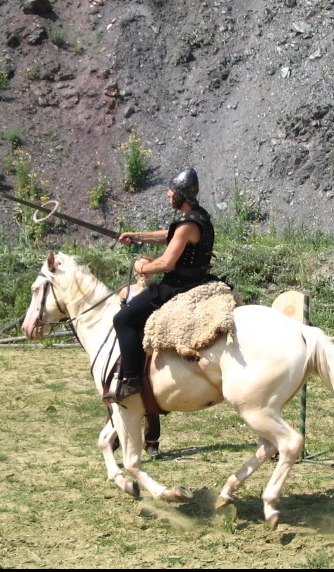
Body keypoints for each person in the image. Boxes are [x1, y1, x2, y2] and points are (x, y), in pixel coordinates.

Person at [103, 167, 217, 403]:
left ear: (180, 195)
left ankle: (132, 379)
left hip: (178, 285)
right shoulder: (198, 216)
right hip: (197, 279)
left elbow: (166, 263)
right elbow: (169, 236)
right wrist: (137, 236)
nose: (168, 194)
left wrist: (141, 268)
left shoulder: (187, 224)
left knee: (123, 319)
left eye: (171, 190)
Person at [118, 274, 162, 458]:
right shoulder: (126, 290)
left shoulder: (154, 291)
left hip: (148, 337)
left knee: (149, 388)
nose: (144, 274)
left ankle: (151, 443)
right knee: (119, 383)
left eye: (147, 269)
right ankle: (114, 440)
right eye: (141, 269)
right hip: (130, 339)